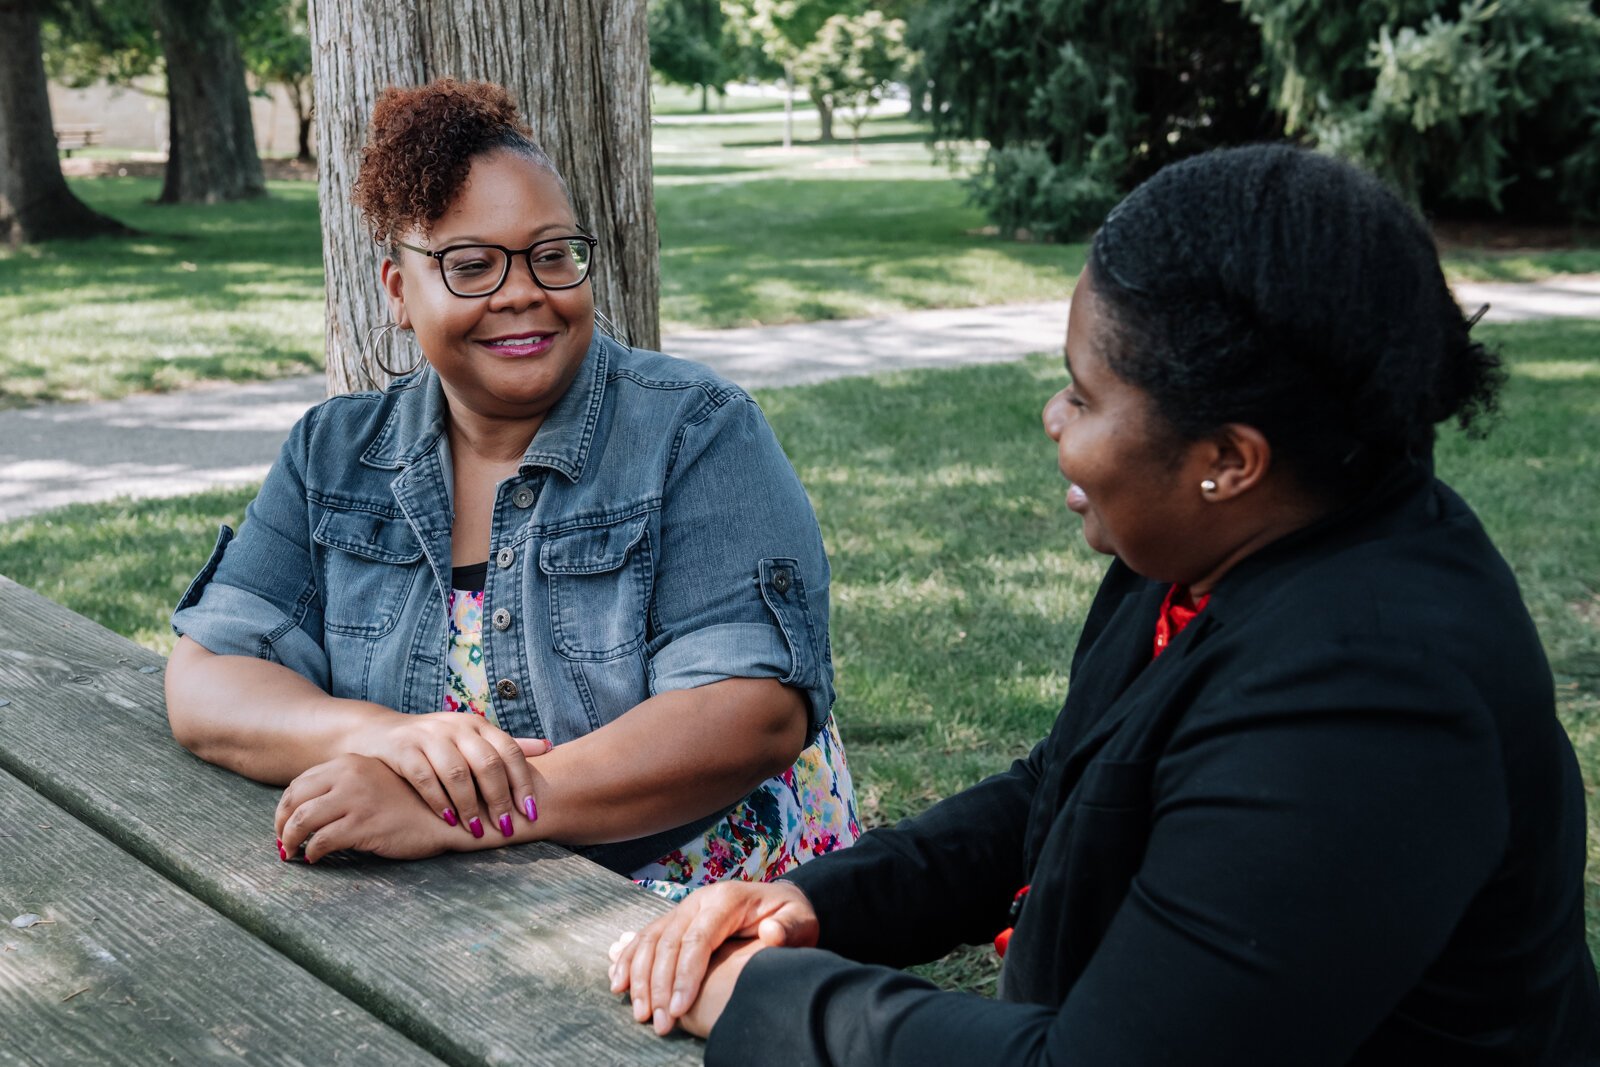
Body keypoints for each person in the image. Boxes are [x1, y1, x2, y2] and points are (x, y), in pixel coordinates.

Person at [608, 144, 1600, 1063]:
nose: (1053, 418)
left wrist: (767, 997)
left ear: (1227, 459)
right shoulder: (1220, 542)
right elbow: (1067, 783)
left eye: (1083, 394)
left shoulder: (1368, 701)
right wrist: (811, 904)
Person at [164, 79, 859, 899]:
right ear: (397, 290)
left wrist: (463, 813)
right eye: (471, 265)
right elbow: (210, 677)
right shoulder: (334, 454)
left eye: (551, 253)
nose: (523, 289)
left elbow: (752, 711)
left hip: (708, 897)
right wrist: (392, 741)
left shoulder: (696, 431)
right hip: (457, 903)